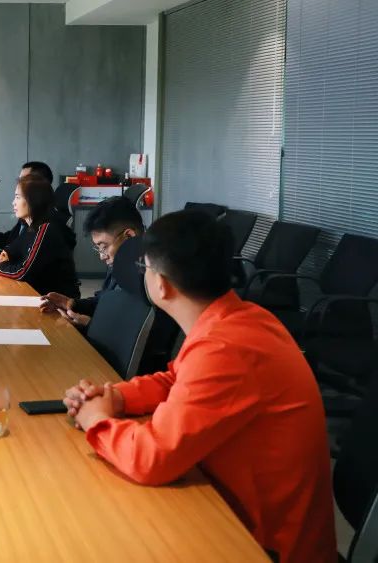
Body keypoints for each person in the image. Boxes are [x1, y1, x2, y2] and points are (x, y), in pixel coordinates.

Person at [62, 210, 335, 563]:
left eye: (145, 267)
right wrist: (114, 397)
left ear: (162, 285)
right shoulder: (239, 317)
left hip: (264, 546)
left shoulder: (225, 346)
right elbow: (175, 379)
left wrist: (96, 421)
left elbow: (152, 458)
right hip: (235, 510)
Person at [39, 196, 144, 326]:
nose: (102, 256)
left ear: (129, 236)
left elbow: (132, 332)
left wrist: (89, 325)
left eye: (104, 247)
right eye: (98, 248)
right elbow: (104, 300)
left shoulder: (148, 278)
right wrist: (72, 303)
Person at [0, 175, 80, 298]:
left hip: (55, 302)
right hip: (35, 293)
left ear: (34, 200)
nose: (13, 202)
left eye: (18, 197)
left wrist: (0, 265)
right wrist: (2, 258)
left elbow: (22, 272)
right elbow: (10, 250)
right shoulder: (30, 227)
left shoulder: (46, 229)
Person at [0, 161, 75, 250]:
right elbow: (9, 241)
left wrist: (4, 262)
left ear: (39, 184)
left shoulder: (46, 226)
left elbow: (26, 263)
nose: (19, 183)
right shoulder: (30, 215)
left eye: (24, 180)